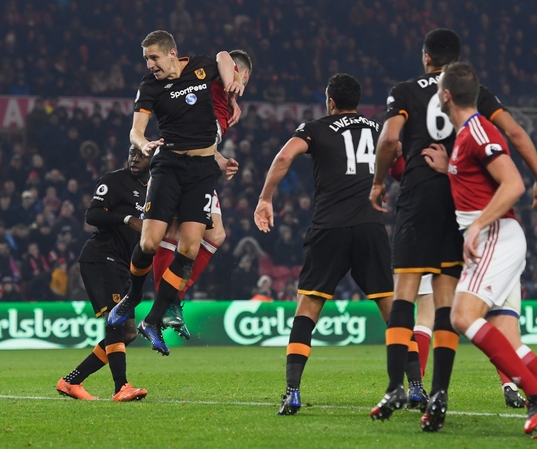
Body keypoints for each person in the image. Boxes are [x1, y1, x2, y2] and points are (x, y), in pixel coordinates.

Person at [369, 29, 537, 422]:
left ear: (427, 59)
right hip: (458, 203)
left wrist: (378, 182)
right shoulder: (477, 95)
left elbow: (390, 139)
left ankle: (397, 387)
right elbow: (514, 132)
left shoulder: (407, 90)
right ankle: (440, 397)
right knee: (449, 305)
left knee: (406, 296)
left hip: (421, 200)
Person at [254, 74, 395, 415]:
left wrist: (265, 198)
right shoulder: (377, 128)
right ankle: (416, 387)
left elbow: (285, 157)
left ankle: (292, 392)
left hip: (330, 227)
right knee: (394, 311)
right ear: (357, 101)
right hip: (371, 225)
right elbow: (397, 153)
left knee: (308, 309)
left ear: (330, 101)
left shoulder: (316, 127)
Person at [106, 30, 243, 356]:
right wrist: (143, 143)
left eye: (153, 57)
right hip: (168, 166)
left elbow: (224, 56)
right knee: (150, 242)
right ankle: (133, 297)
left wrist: (231, 86)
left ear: (172, 54)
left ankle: (153, 320)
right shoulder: (150, 86)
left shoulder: (198, 67)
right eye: (146, 59)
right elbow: (136, 130)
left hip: (202, 172)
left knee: (190, 247)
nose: (150, 64)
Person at [418, 62, 537, 435]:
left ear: (446, 95)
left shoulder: (478, 131)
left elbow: (514, 183)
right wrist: (448, 170)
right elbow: (477, 183)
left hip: (496, 237)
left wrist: (478, 227)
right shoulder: (466, 136)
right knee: (510, 343)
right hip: (496, 238)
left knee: (462, 317)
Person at [153, 49, 251, 339]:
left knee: (215, 235)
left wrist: (220, 159)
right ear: (242, 73)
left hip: (202, 160)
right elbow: (222, 55)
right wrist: (234, 86)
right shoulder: (223, 75)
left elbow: (201, 135)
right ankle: (167, 300)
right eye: (244, 78)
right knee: (173, 232)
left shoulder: (213, 93)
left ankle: (172, 297)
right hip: (180, 164)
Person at [57, 144, 150, 402]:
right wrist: (126, 219)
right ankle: (121, 387)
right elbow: (92, 214)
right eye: (132, 153)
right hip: (100, 257)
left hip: (125, 264)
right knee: (116, 320)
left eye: (142, 155)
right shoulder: (114, 180)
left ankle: (71, 381)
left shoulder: (156, 189)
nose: (135, 158)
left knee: (128, 332)